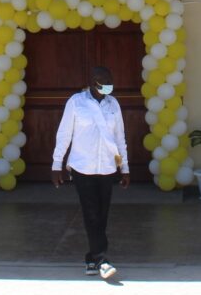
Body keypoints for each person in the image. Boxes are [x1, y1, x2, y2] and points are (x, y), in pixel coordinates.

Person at [52, 65, 130, 280]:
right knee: (91, 212)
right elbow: (64, 134)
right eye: (104, 80)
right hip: (82, 167)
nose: (108, 84)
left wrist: (125, 168)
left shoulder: (113, 104)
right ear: (94, 81)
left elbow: (119, 139)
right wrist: (56, 164)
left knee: (102, 214)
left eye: (110, 80)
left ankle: (91, 258)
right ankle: (102, 259)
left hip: (106, 167)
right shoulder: (76, 102)